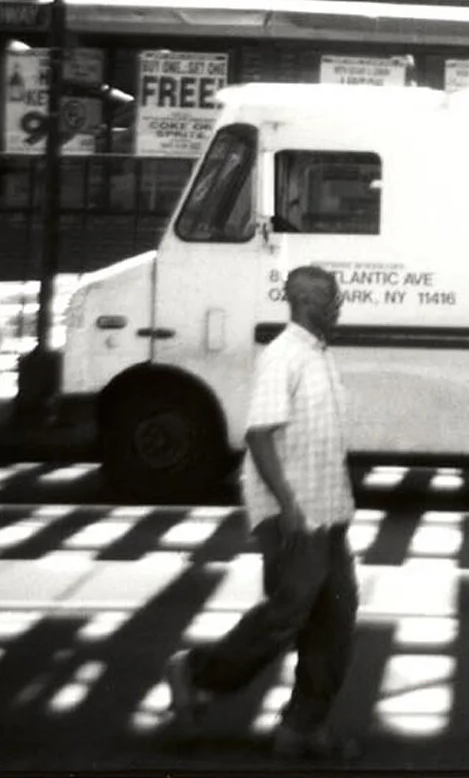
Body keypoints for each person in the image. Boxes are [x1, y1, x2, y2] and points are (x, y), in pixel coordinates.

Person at [165, 265, 359, 761]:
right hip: (294, 513)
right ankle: (194, 673)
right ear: (306, 301)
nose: (338, 306)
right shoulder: (283, 356)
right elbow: (258, 435)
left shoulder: (319, 356)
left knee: (335, 619)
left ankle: (302, 726)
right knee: (287, 614)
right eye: (331, 298)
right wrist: (288, 506)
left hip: (329, 511)